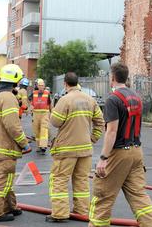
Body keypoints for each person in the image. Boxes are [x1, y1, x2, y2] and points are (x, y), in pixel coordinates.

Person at [89, 63, 152, 227]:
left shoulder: (113, 100)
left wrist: (103, 158)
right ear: (126, 77)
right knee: (139, 197)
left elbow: (111, 131)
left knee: (103, 197)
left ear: (112, 78)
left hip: (119, 154)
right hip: (136, 153)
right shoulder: (136, 97)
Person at [46, 72, 105, 223]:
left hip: (66, 149)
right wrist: (92, 138)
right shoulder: (90, 100)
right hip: (85, 149)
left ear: (65, 84)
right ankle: (82, 211)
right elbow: (100, 122)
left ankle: (59, 213)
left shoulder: (65, 100)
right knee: (82, 181)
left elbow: (55, 122)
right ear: (77, 83)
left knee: (59, 180)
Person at [0, 64, 30, 222]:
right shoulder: (8, 98)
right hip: (5, 148)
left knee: (5, 178)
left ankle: (10, 206)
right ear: (16, 79)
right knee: (3, 181)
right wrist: (24, 143)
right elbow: (12, 125)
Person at [29, 78, 52, 153]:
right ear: (37, 86)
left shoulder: (47, 93)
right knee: (37, 130)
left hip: (44, 113)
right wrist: (30, 109)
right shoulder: (34, 93)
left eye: (42, 85)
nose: (41, 87)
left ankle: (43, 145)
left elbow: (50, 104)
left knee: (44, 129)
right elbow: (31, 102)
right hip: (36, 114)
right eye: (40, 85)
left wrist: (52, 113)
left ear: (44, 86)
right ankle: (39, 146)